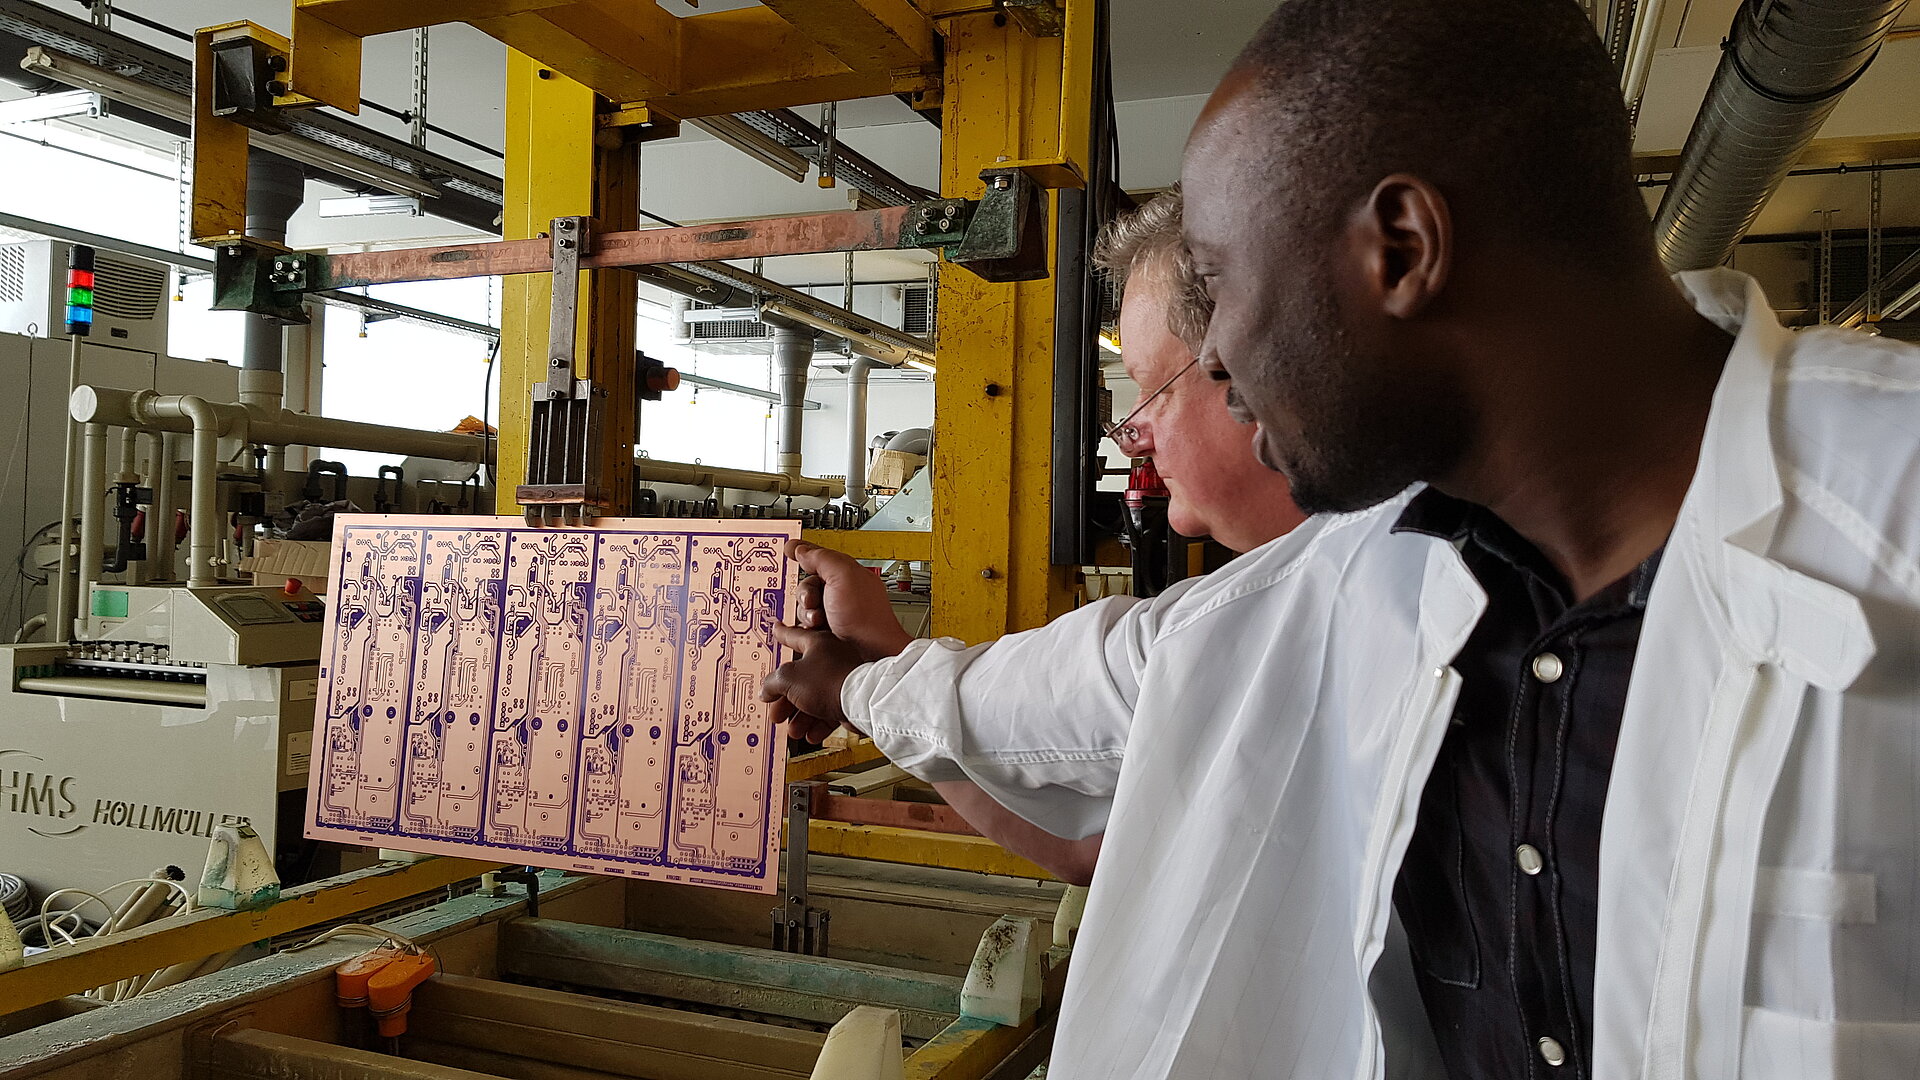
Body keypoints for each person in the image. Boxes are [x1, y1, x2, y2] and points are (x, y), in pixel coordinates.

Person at [766, 0, 1920, 1076]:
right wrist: (862, 682)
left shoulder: (1894, 521)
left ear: (1402, 250)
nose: (1219, 359)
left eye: (1226, 285)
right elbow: (1080, 692)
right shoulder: (1368, 573)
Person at [821, 188, 1307, 885]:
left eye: (1150, 389)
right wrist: (883, 668)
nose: (1134, 436)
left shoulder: (1235, 634)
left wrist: (851, 685)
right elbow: (1086, 851)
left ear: (1255, 370)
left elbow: (1037, 704)